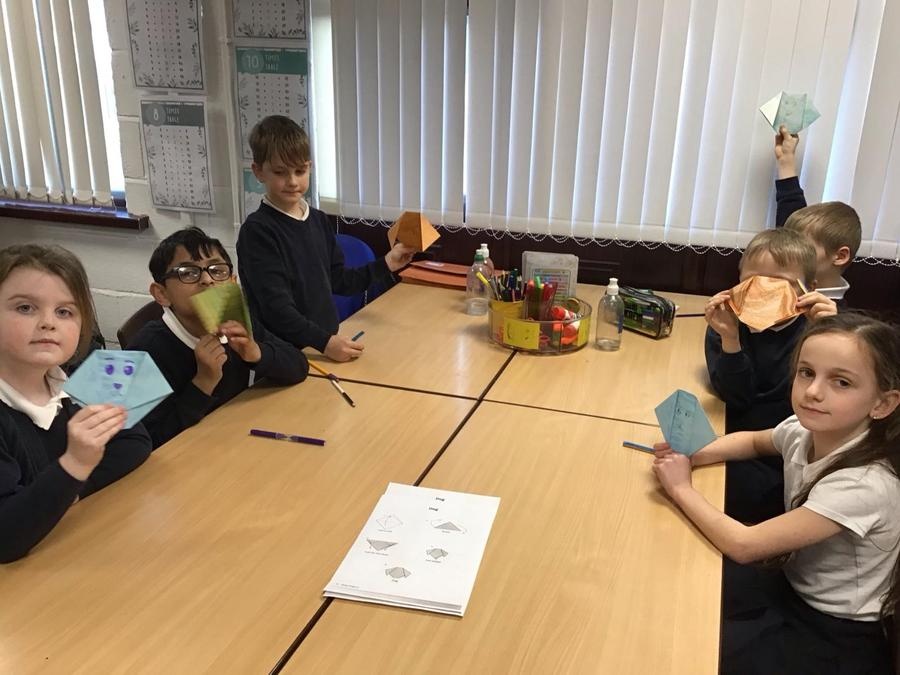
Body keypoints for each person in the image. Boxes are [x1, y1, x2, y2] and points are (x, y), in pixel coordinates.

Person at [655, 313, 900, 674]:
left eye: (842, 382)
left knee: (693, 650)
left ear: (882, 404)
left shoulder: (864, 484)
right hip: (790, 584)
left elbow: (745, 545)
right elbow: (755, 441)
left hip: (834, 632)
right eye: (806, 373)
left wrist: (680, 488)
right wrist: (696, 453)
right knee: (680, 593)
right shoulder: (805, 429)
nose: (813, 391)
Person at [0, 244, 151, 562]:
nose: (48, 323)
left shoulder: (73, 376)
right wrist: (75, 465)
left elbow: (135, 441)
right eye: (25, 308)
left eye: (64, 312)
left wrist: (72, 490)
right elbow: (6, 539)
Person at [236, 115, 415, 362]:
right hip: (284, 356)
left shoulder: (318, 220)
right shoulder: (258, 232)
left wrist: (387, 263)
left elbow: (339, 281)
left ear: (309, 167)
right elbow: (276, 309)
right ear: (258, 172)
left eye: (300, 171)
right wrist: (325, 343)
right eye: (280, 172)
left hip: (323, 346)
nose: (292, 182)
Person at [127, 227, 308, 448]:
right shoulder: (145, 351)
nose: (207, 279)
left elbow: (299, 366)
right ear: (162, 294)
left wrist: (256, 353)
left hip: (236, 439)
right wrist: (203, 383)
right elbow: (148, 441)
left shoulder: (234, 321)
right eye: (188, 272)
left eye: (217, 270)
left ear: (232, 282)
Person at [705, 228, 837, 522]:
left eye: (779, 283)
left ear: (808, 288)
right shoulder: (727, 324)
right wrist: (730, 340)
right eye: (753, 280)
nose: (763, 290)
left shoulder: (816, 331)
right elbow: (736, 397)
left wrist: (830, 333)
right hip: (732, 435)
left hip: (786, 453)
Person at [774, 125, 861, 301]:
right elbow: (790, 207)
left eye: (802, 249)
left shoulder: (838, 316)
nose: (787, 253)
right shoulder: (791, 277)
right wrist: (786, 160)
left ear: (840, 256)